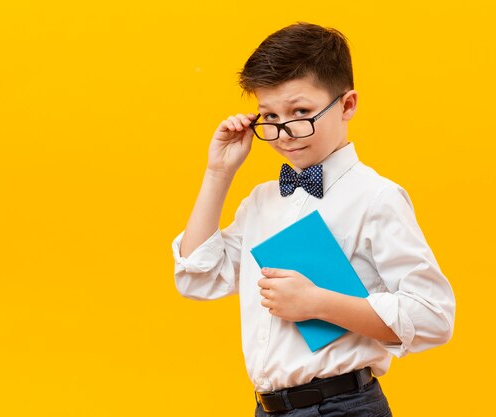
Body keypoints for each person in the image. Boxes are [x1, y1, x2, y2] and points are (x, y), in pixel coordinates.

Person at [171, 22, 455, 416]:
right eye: (269, 116)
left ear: (347, 105)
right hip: (268, 408)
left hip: (342, 406)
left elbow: (434, 317)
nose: (284, 133)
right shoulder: (263, 202)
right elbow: (197, 278)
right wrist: (218, 173)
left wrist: (317, 302)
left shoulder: (375, 198)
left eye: (300, 112)